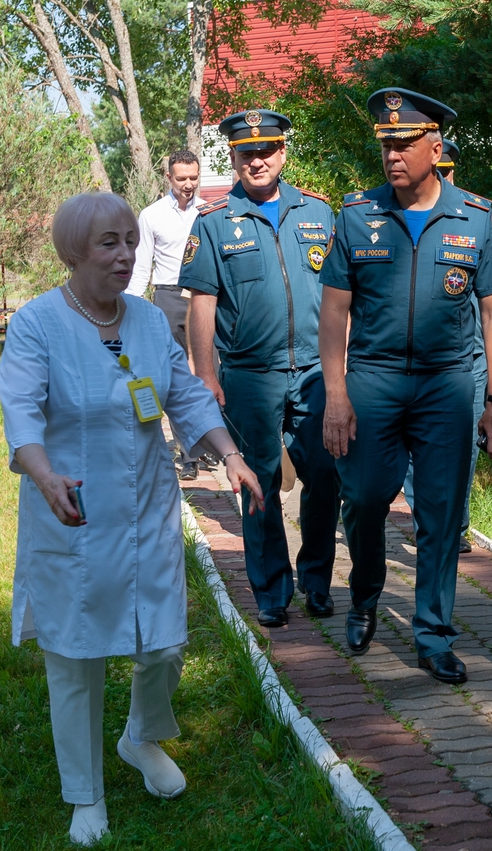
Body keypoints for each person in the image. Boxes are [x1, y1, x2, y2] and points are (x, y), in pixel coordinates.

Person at [0, 191, 264, 845]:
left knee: (165, 641)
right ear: (72, 253)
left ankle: (141, 737)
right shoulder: (37, 324)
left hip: (147, 511)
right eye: (108, 243)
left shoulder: (146, 322)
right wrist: (42, 472)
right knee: (76, 658)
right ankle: (84, 796)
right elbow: (22, 411)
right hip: (75, 514)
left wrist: (228, 453)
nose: (125, 255)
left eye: (129, 240)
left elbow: (184, 393)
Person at [319, 89, 492, 684]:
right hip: (373, 381)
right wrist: (336, 394)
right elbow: (332, 314)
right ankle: (365, 594)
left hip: (446, 386)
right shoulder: (357, 216)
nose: (394, 155)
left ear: (436, 147)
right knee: (368, 499)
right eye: (387, 145)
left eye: (405, 144)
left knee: (440, 513)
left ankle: (432, 633)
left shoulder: (474, 219)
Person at [181, 109, 341, 628]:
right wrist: (206, 376)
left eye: (266, 150)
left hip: (317, 372)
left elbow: (343, 297)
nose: (257, 160)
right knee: (258, 481)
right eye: (246, 152)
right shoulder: (212, 222)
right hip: (249, 374)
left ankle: (317, 580)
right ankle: (271, 591)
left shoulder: (319, 214)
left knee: (325, 474)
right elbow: (201, 303)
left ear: (282, 154)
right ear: (232, 157)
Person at [399, 138, 492, 554]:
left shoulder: (476, 214)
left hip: (472, 357)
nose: (442, 177)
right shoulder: (398, 213)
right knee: (413, 450)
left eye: (448, 170)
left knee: (467, 441)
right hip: (420, 361)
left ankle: (455, 522)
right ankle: (426, 521)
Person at [130, 150, 206, 479]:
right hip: (168, 296)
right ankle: (188, 456)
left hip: (204, 297)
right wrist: (129, 309)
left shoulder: (209, 212)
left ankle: (210, 445)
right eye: (181, 178)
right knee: (175, 377)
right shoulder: (151, 216)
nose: (188, 184)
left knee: (208, 372)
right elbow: (141, 266)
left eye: (193, 177)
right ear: (169, 178)